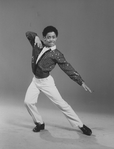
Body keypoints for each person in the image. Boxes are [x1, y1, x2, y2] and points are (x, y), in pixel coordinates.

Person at [24, 26, 92, 136]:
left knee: (62, 104)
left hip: (46, 83)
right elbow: (28, 33)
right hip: (35, 81)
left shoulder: (57, 54)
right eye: (48, 37)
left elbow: (67, 68)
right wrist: (35, 37)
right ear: (44, 38)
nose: (51, 39)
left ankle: (80, 125)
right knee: (28, 102)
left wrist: (80, 81)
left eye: (53, 37)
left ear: (56, 38)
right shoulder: (38, 45)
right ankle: (40, 123)